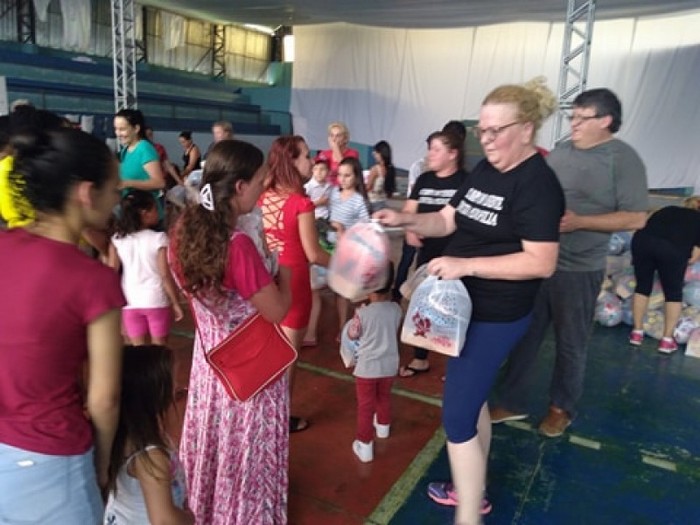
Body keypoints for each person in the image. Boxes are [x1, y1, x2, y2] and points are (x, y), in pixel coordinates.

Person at [375, 80, 565, 524]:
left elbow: (541, 262)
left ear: (527, 129)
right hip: (466, 308)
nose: (488, 139)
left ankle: (468, 515)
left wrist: (467, 265)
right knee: (473, 400)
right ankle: (471, 493)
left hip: (497, 314)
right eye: (483, 130)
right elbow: (446, 220)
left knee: (458, 420)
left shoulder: (537, 184)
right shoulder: (485, 171)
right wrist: (402, 218)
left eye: (498, 130)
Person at [491, 87, 649, 438]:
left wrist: (580, 222)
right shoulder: (561, 152)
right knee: (524, 335)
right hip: (538, 262)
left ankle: (561, 408)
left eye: (582, 117)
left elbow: (636, 218)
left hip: (579, 269)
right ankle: (511, 402)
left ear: (605, 121)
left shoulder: (623, 160)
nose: (573, 123)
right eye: (572, 116)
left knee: (570, 343)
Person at [0, 128, 125, 522]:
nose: (117, 199)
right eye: (114, 190)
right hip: (50, 462)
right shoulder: (93, 280)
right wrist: (101, 466)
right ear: (86, 193)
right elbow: (104, 398)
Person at [169, 139, 293, 523]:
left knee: (213, 440)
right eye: (260, 181)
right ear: (239, 186)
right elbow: (276, 310)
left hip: (210, 362)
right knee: (246, 445)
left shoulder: (186, 228)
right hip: (248, 365)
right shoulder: (237, 246)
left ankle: (208, 507)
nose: (263, 187)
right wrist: (288, 271)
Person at [258, 135, 331, 433]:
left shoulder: (262, 196)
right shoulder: (302, 203)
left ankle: (261, 414)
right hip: (293, 285)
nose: (311, 161)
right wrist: (347, 265)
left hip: (265, 281)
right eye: (306, 156)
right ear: (291, 160)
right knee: (287, 358)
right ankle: (279, 420)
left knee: (265, 354)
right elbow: (314, 254)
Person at [398, 130, 468, 378]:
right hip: (428, 256)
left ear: (453, 153)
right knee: (424, 305)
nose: (430, 154)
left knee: (455, 310)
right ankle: (420, 358)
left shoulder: (466, 181)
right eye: (430, 148)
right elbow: (410, 210)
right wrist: (410, 230)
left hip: (457, 258)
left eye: (436, 149)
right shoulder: (424, 179)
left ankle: (457, 365)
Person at [104, 345, 194, 524]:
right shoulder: (153, 458)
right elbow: (164, 521)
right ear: (154, 397)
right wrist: (189, 518)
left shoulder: (122, 438)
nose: (182, 390)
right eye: (177, 392)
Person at [341, 263, 402, 463]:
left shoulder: (363, 314)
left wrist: (355, 318)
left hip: (367, 369)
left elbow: (353, 334)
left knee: (365, 407)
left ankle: (364, 444)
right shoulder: (396, 309)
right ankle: (383, 427)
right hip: (389, 365)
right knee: (384, 397)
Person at [107, 190, 184, 345]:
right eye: (155, 208)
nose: (158, 212)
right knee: (159, 351)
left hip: (130, 302)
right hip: (156, 300)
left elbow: (111, 274)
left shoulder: (117, 240)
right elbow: (164, 275)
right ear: (144, 213)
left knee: (138, 351)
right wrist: (175, 302)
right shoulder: (159, 239)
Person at [629, 196, 700, 353]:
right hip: (672, 250)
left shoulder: (668, 209)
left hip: (642, 242)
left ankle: (636, 333)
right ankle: (667, 340)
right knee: (673, 294)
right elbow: (694, 257)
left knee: (642, 287)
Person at [329, 157, 371, 333]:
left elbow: (365, 228)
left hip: (349, 252)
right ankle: (342, 326)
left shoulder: (358, 200)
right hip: (330, 248)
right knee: (337, 291)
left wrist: (344, 232)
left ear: (356, 177)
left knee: (350, 292)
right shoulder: (334, 193)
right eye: (340, 175)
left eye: (347, 175)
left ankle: (350, 326)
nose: (342, 179)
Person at [113, 109, 166, 219]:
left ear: (136, 128)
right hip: (131, 215)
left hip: (146, 216)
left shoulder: (144, 148)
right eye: (116, 129)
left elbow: (159, 183)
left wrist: (128, 183)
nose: (118, 133)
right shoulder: (125, 151)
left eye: (122, 129)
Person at [302, 160, 333, 347]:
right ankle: (309, 332)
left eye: (324, 169)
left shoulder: (330, 188)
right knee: (311, 288)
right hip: (312, 230)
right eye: (317, 169)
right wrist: (317, 203)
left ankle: (310, 332)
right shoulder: (307, 188)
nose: (320, 172)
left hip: (325, 232)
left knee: (314, 288)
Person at [314, 121, 359, 186]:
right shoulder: (324, 154)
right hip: (325, 187)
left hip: (343, 187)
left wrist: (336, 149)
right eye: (331, 135)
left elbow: (346, 170)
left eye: (338, 136)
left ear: (345, 139)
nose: (334, 139)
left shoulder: (353, 153)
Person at [366, 140, 396, 213]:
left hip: (372, 203)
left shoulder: (376, 169)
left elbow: (368, 187)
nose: (374, 154)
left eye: (376, 152)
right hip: (383, 203)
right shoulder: (391, 169)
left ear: (381, 153)